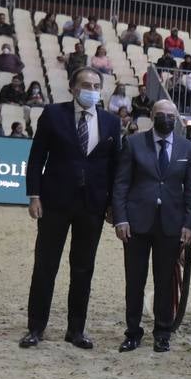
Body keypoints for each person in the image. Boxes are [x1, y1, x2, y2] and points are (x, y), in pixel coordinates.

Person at [21, 67, 122, 349]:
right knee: (45, 266)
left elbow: (115, 167)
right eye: (86, 84)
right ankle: (35, 328)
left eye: (96, 84)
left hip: (92, 205)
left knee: (83, 269)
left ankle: (76, 330)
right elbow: (36, 157)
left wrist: (113, 204)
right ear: (73, 88)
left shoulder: (111, 122)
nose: (91, 88)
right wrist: (34, 195)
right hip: (54, 202)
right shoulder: (53, 114)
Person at [113, 99, 191, 353]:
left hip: (171, 225)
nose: (166, 119)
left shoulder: (188, 148)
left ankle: (163, 332)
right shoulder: (133, 143)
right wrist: (121, 218)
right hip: (136, 223)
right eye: (161, 114)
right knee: (135, 281)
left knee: (165, 282)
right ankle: (132, 332)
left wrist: (189, 224)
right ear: (151, 116)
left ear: (177, 118)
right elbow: (121, 184)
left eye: (171, 115)